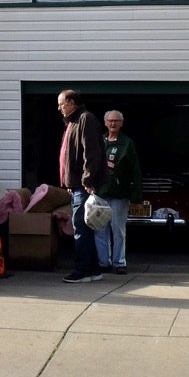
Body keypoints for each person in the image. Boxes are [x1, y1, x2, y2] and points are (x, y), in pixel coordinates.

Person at [57, 89, 107, 284]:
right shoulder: (73, 122)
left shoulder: (85, 119)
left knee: (80, 227)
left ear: (71, 102)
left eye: (61, 103)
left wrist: (87, 180)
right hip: (77, 184)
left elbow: (91, 152)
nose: (59, 108)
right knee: (84, 227)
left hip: (84, 185)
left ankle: (83, 270)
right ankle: (93, 270)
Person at [94, 110, 143, 275]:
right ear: (105, 122)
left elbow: (135, 170)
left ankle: (119, 263)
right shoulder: (99, 141)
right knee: (100, 229)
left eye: (116, 121)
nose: (113, 124)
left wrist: (136, 192)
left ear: (122, 123)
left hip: (119, 193)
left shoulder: (127, 143)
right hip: (100, 192)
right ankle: (103, 262)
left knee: (118, 229)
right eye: (110, 121)